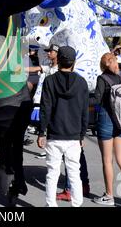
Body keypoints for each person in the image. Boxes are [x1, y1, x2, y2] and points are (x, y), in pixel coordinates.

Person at [37, 46, 89, 207]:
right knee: (74, 173)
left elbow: (45, 108)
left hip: (54, 134)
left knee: (52, 173)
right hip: (73, 135)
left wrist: (41, 132)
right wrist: (82, 134)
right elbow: (84, 111)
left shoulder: (50, 81)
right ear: (74, 62)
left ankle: (50, 204)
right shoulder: (81, 82)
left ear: (58, 60)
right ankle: (77, 204)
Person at [90, 53, 121, 207]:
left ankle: (109, 196)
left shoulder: (102, 79)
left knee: (107, 160)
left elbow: (96, 100)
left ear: (103, 65)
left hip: (106, 120)